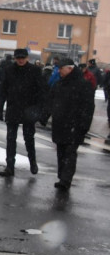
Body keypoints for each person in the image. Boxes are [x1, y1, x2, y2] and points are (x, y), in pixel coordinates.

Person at [0, 47, 47, 177]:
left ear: (27, 58)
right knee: (11, 139)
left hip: (29, 109)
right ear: (15, 58)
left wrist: (40, 110)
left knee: (29, 138)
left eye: (22, 58)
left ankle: (32, 162)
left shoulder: (35, 71)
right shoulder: (9, 70)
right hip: (13, 108)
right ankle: (10, 166)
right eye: (18, 58)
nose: (20, 60)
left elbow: (42, 91)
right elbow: (3, 89)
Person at [46, 57, 94, 192]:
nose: (59, 71)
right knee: (61, 152)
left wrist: (84, 126)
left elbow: (89, 107)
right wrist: (44, 116)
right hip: (60, 124)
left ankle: (65, 180)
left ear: (70, 69)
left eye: (61, 68)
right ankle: (62, 176)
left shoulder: (83, 85)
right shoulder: (59, 84)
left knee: (70, 152)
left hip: (75, 125)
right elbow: (51, 102)